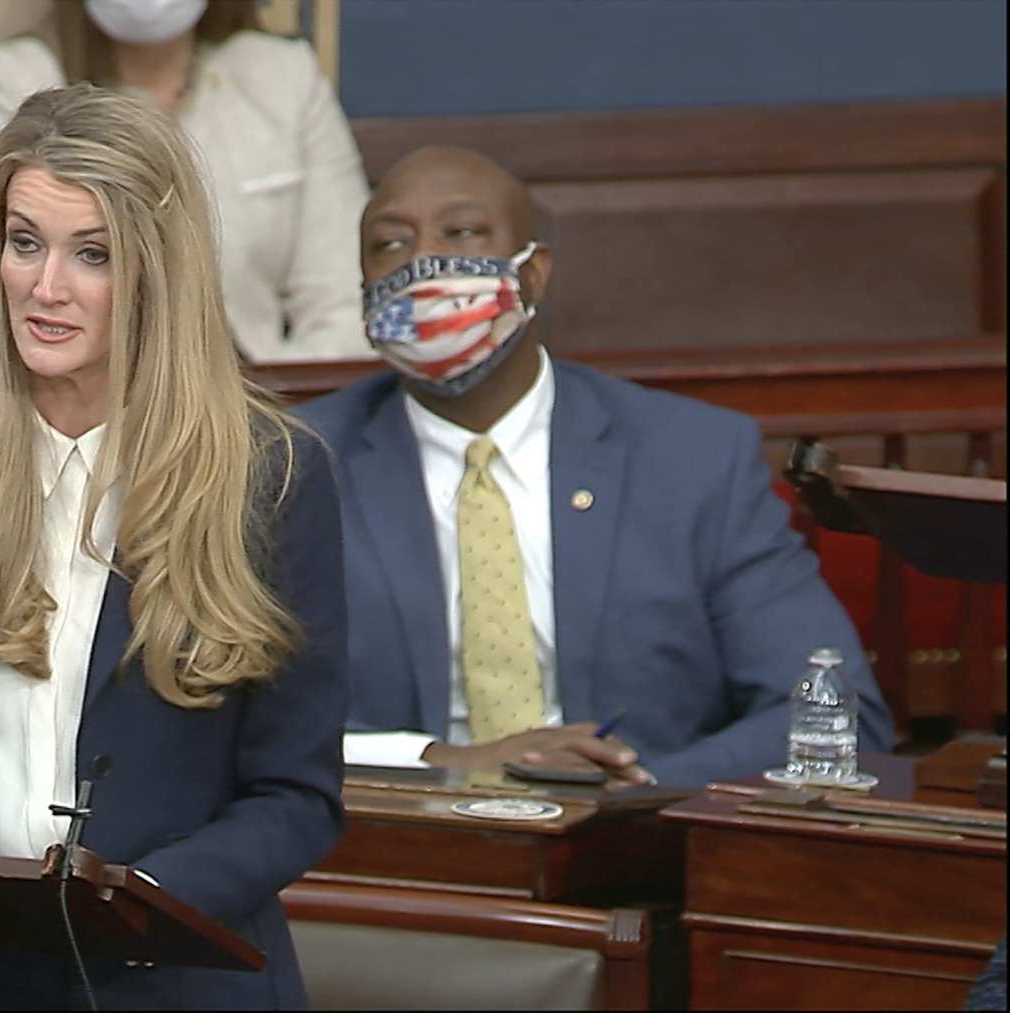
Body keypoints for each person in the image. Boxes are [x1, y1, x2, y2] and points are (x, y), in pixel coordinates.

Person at [0, 85, 348, 1008]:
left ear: (156, 272)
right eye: (25, 242)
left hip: (175, 974)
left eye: (91, 254)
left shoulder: (270, 476)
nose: (44, 287)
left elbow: (295, 797)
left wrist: (126, 901)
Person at [298, 145, 892, 788]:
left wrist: (632, 795)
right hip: (400, 855)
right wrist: (444, 761)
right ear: (362, 292)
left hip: (644, 853)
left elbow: (831, 716)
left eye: (462, 233)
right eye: (390, 245)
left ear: (534, 274)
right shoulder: (292, 467)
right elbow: (230, 730)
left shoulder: (692, 460)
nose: (423, 265)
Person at [0, 0, 370, 362]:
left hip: (259, 401)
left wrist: (269, 417)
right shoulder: (4, 81)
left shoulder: (283, 76)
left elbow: (345, 303)